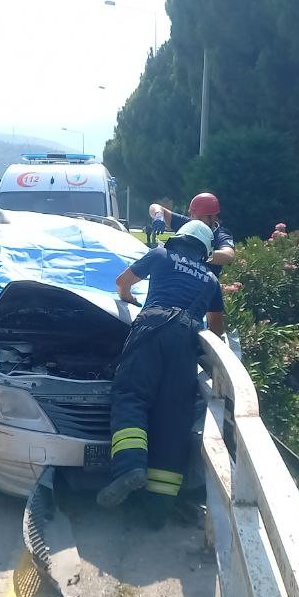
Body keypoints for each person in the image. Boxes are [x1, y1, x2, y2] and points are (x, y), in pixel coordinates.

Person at [97, 221, 225, 526]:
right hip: (187, 342)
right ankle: (158, 508)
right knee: (173, 417)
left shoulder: (160, 255)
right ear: (205, 252)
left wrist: (127, 296)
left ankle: (129, 467)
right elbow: (218, 330)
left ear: (178, 239)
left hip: (151, 329)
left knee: (131, 396)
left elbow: (122, 282)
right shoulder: (210, 279)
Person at [153, 192, 235, 275]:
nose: (195, 220)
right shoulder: (188, 225)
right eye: (192, 216)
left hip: (204, 284)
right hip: (178, 278)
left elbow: (229, 255)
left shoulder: (221, 235)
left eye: (200, 217)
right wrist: (159, 215)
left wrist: (202, 254)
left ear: (213, 217)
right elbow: (155, 207)